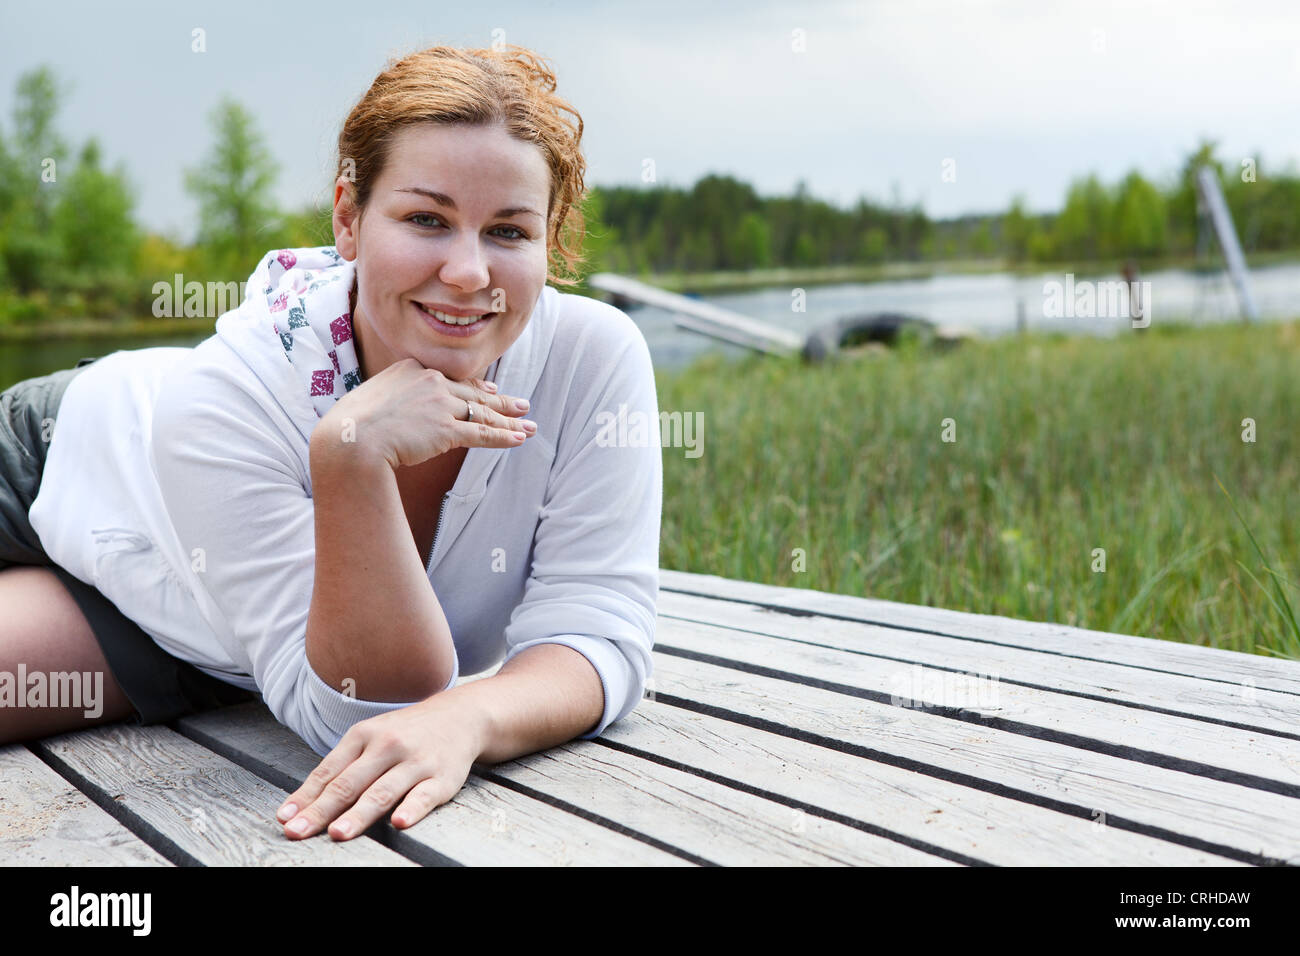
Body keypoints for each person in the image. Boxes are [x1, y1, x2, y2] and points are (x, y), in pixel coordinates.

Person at [0, 43, 662, 843]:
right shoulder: (225, 396)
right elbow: (365, 702)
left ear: (549, 240)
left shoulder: (593, 359)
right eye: (426, 219)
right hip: (56, 463)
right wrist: (347, 450)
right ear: (349, 218)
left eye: (508, 231)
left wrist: (473, 717)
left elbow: (590, 633)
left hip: (186, 621)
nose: (465, 271)